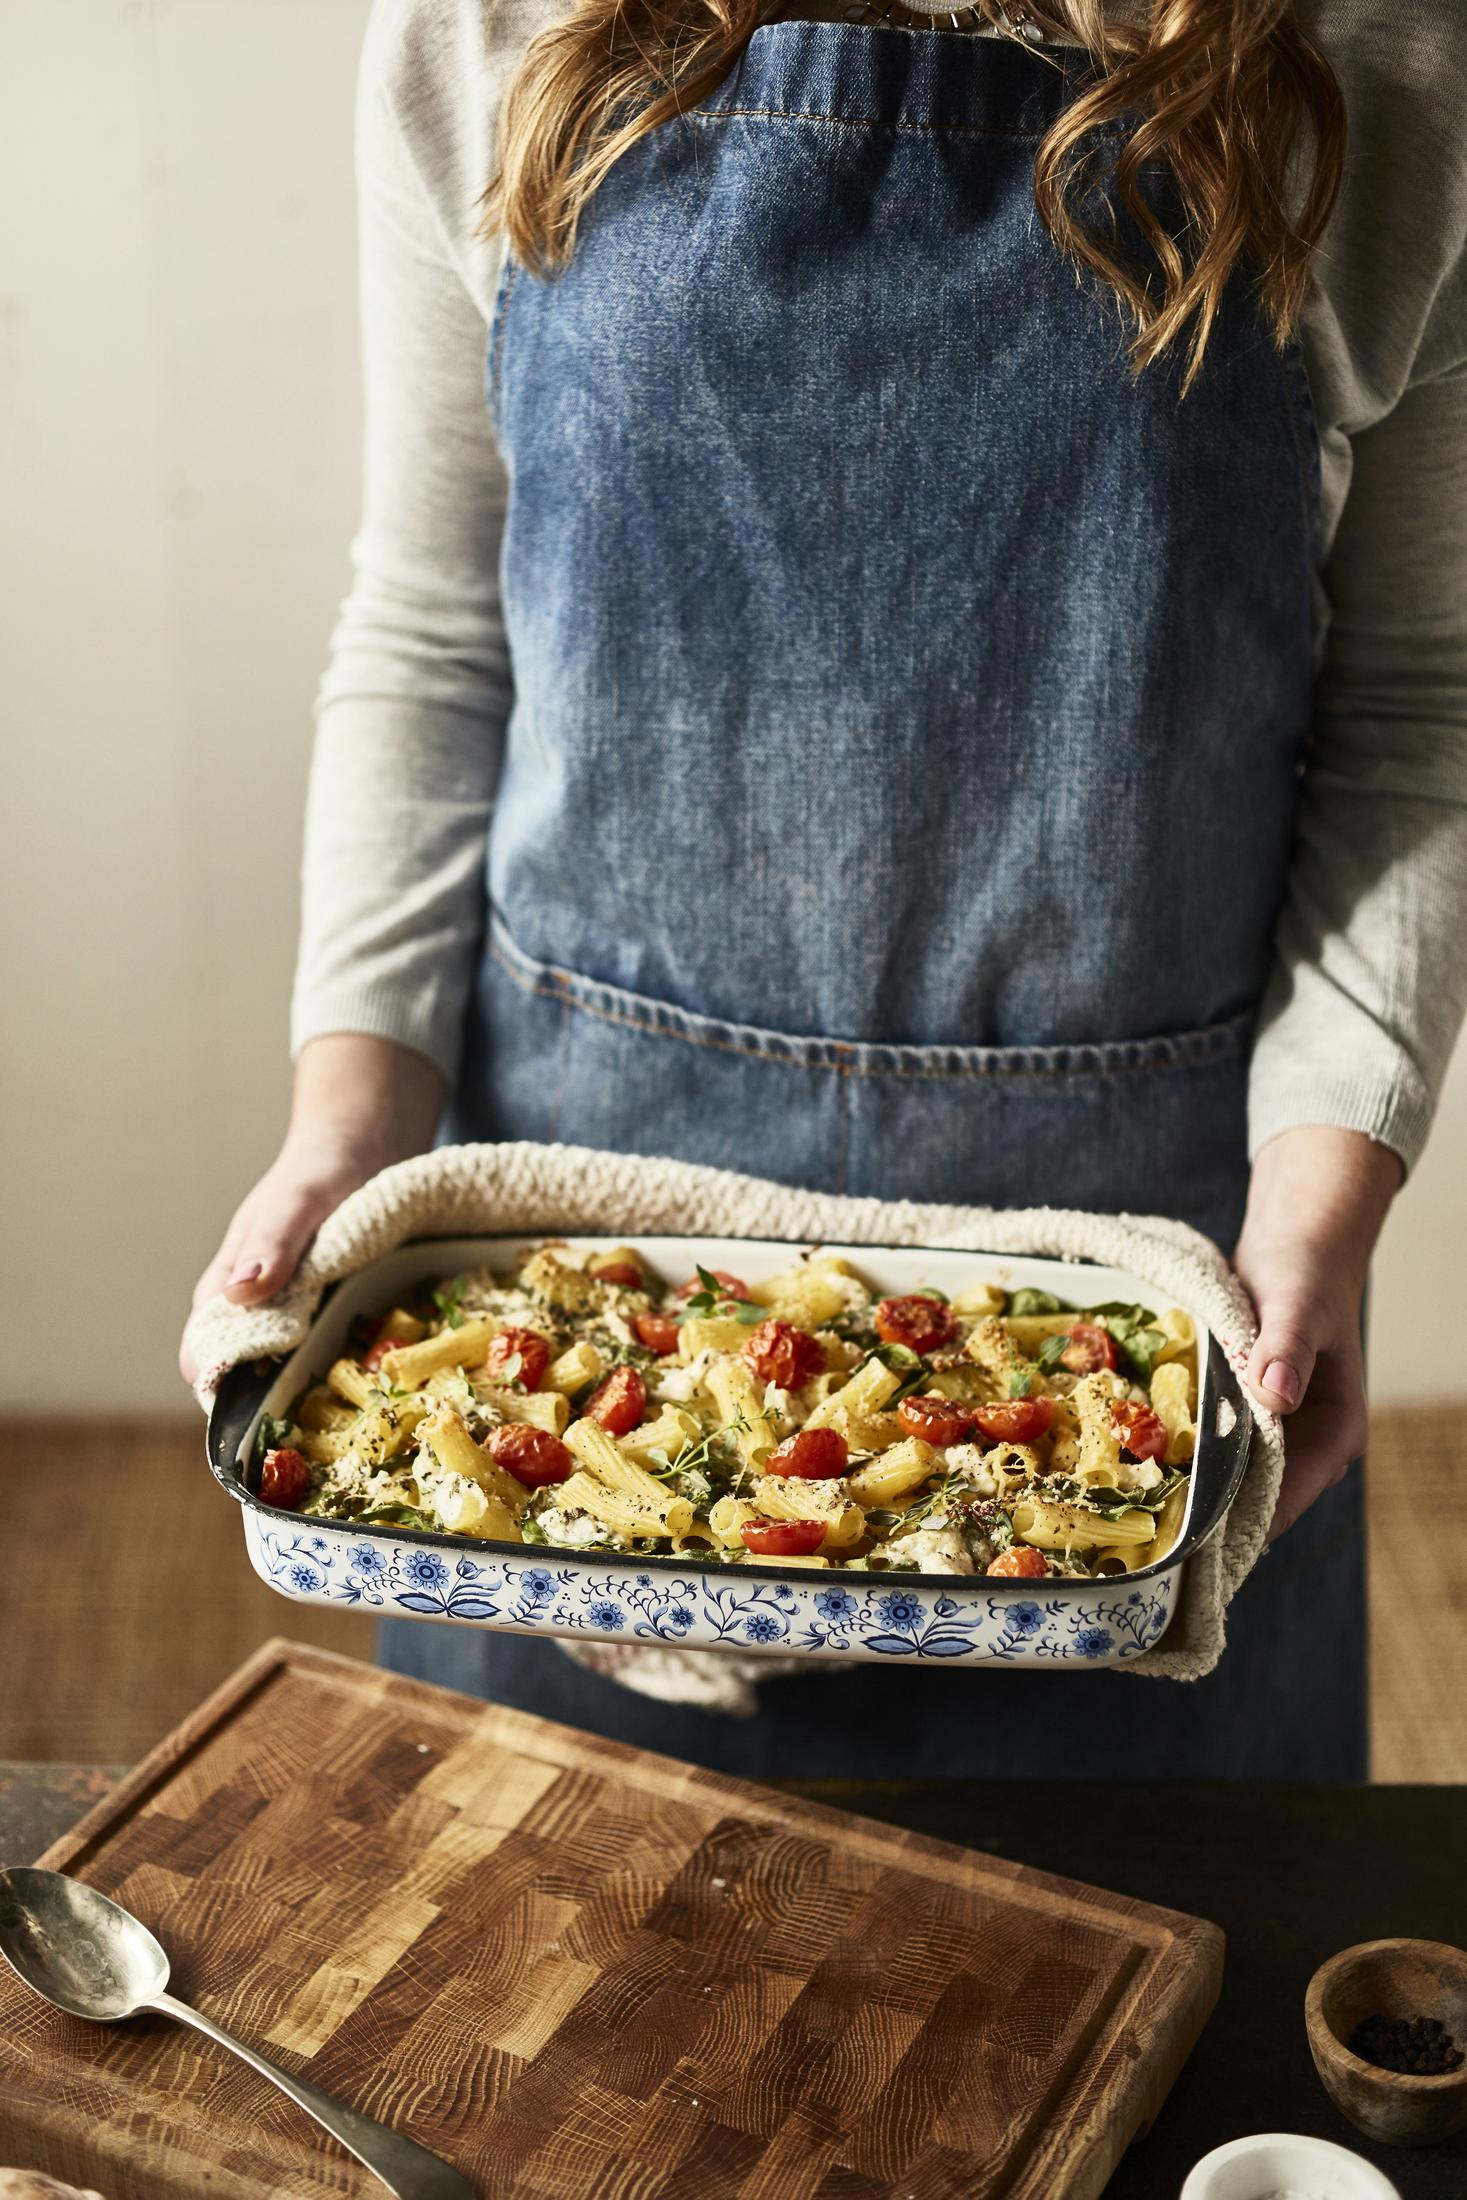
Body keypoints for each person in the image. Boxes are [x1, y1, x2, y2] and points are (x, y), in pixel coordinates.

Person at [183, 0, 1467, 1779]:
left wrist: (1324, 1198)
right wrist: (350, 1119)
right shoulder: (488, 28)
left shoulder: (1377, 55)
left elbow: (1421, 700)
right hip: (577, 1245)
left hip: (1143, 1281)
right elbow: (428, 633)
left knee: (1159, 2004)